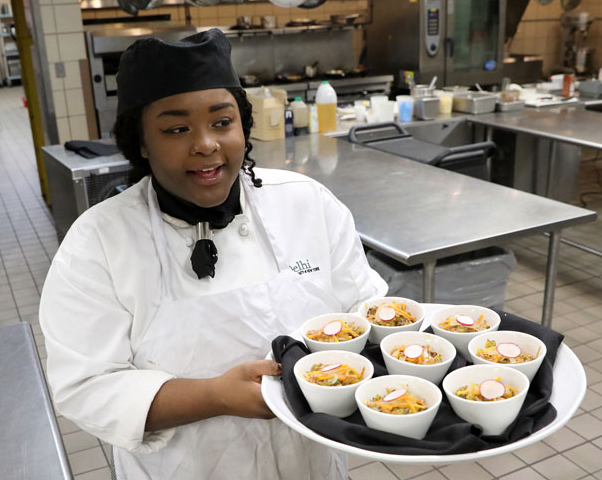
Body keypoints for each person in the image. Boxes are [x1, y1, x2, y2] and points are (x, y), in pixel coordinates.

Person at [39, 29, 387, 480]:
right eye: (176, 129)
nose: (206, 144)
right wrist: (215, 396)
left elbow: (366, 314)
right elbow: (86, 386)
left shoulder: (307, 203)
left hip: (313, 467)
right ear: (141, 143)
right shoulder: (98, 242)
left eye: (222, 122)